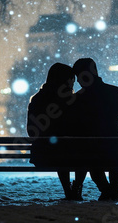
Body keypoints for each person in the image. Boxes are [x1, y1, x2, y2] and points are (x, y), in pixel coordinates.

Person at [73, 58, 118, 201]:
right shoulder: (116, 92)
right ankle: (112, 191)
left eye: (79, 76)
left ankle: (107, 190)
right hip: (115, 149)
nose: (78, 81)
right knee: (116, 161)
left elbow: (73, 125)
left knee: (92, 163)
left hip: (90, 151)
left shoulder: (78, 98)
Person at [26, 63, 87, 200]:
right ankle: (76, 188)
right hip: (71, 154)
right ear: (65, 80)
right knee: (80, 151)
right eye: (72, 79)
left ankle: (68, 190)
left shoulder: (37, 99)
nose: (74, 82)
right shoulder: (73, 101)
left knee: (61, 150)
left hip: (43, 155)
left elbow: (31, 131)